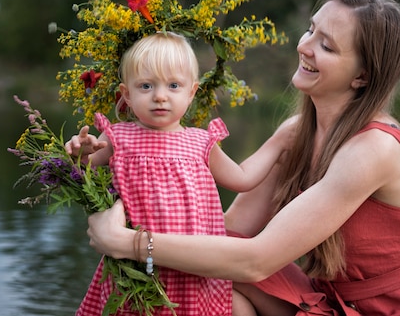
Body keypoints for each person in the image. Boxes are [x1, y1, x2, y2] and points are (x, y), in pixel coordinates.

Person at [83, 0, 400, 315]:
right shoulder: (296, 133)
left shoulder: (374, 149)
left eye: (327, 45)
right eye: (311, 30)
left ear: (362, 76)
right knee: (222, 290)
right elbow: (227, 231)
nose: (304, 46)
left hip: (387, 314)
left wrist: (129, 242)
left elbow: (255, 261)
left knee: (229, 275)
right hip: (326, 302)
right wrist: (130, 169)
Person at [64, 32, 287, 316]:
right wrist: (78, 154)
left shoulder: (201, 143)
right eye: (146, 86)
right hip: (135, 270)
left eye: (173, 85)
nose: (160, 96)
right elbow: (78, 173)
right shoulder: (118, 138)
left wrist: (280, 142)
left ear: (191, 92)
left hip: (190, 264)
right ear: (127, 95)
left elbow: (242, 178)